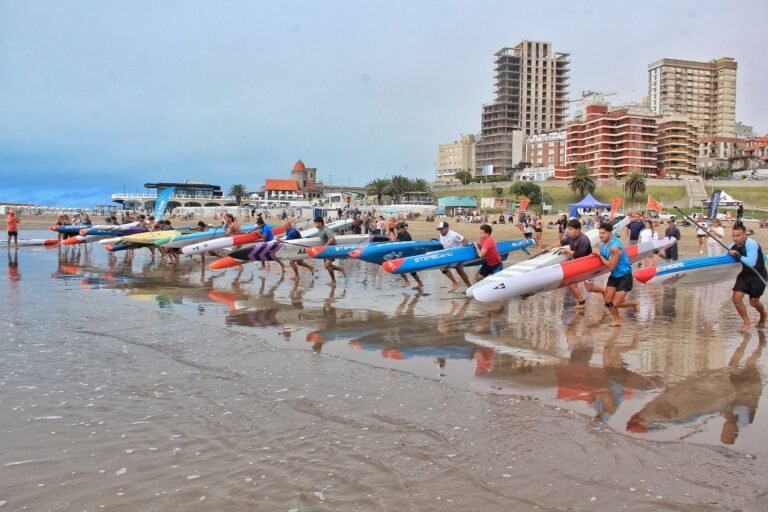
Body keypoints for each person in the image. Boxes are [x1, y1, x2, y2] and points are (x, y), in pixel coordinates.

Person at [545, 219, 599, 308]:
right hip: (580, 264)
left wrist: (567, 251)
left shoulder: (583, 240)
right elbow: (562, 242)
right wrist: (551, 246)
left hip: (588, 265)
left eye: (571, 229)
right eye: (568, 229)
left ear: (577, 229)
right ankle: (581, 302)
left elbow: (579, 254)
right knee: (572, 284)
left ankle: (604, 291)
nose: (568, 231)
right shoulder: (571, 237)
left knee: (590, 288)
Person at [597, 222, 638, 327]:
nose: (601, 235)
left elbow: (611, 266)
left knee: (616, 303)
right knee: (607, 301)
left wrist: (600, 256)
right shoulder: (602, 244)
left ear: (610, 233)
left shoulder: (615, 248)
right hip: (614, 276)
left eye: (603, 233)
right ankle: (618, 319)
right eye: (600, 233)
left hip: (625, 276)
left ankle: (635, 303)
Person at [728, 223, 767, 331]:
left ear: (745, 234)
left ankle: (763, 314)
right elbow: (724, 258)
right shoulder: (733, 245)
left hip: (758, 275)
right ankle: (747, 322)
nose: (735, 238)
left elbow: (751, 262)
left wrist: (738, 255)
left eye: (738, 235)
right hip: (744, 275)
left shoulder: (751, 244)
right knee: (736, 299)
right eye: (733, 235)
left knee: (753, 302)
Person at [435, 221, 471, 291]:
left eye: (442, 229)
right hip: (448, 255)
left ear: (447, 228)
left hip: (457, 255)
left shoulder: (454, 235)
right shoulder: (440, 234)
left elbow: (465, 241)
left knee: (460, 270)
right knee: (442, 268)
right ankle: (455, 283)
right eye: (439, 229)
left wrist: (461, 252)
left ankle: (469, 287)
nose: (440, 231)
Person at [391, 222, 424, 288]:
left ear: (402, 228)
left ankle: (419, 283)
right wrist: (395, 239)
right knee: (399, 268)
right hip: (402, 253)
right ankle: (407, 281)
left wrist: (395, 241)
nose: (396, 230)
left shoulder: (406, 235)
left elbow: (402, 244)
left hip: (409, 253)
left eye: (398, 229)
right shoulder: (400, 234)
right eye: (396, 229)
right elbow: (397, 242)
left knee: (412, 271)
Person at [315, 217, 345, 284]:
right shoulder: (319, 229)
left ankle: (333, 280)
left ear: (320, 223)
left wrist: (325, 246)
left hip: (331, 249)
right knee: (327, 266)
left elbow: (332, 239)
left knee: (327, 266)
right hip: (326, 250)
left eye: (316, 223)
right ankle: (341, 269)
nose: (315, 224)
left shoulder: (326, 230)